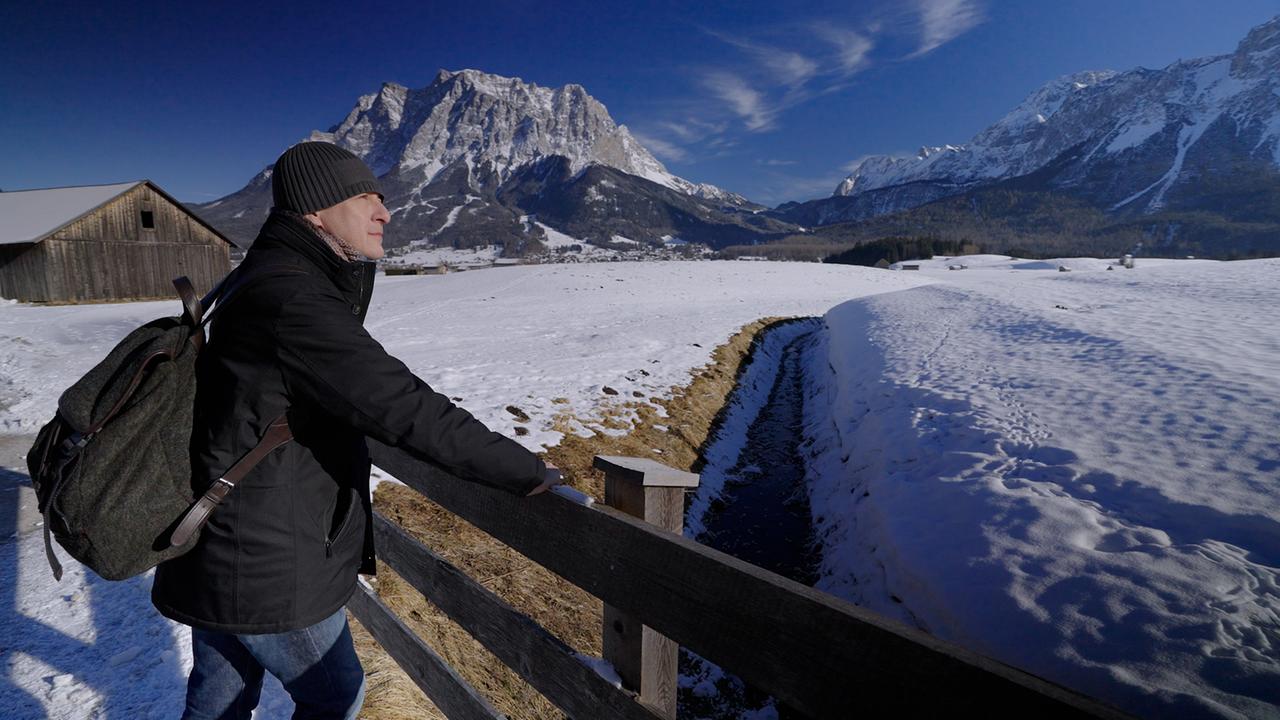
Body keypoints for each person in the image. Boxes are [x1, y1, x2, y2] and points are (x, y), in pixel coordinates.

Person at [151, 141, 560, 719]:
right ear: (316, 211)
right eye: (365, 196)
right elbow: (402, 406)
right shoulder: (293, 297)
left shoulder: (266, 276)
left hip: (224, 536)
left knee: (220, 700)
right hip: (264, 554)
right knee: (337, 695)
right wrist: (528, 470)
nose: (384, 211)